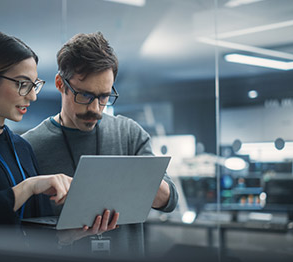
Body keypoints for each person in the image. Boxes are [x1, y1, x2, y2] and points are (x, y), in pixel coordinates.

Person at [0, 31, 118, 234]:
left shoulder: (21, 147)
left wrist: (70, 235)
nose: (33, 96)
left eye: (34, 85)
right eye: (23, 85)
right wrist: (28, 188)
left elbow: (36, 230)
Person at [23, 32, 178, 215]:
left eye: (104, 96)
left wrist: (132, 177)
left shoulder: (129, 134)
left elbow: (170, 200)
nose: (96, 109)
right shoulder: (29, 147)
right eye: (85, 95)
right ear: (60, 84)